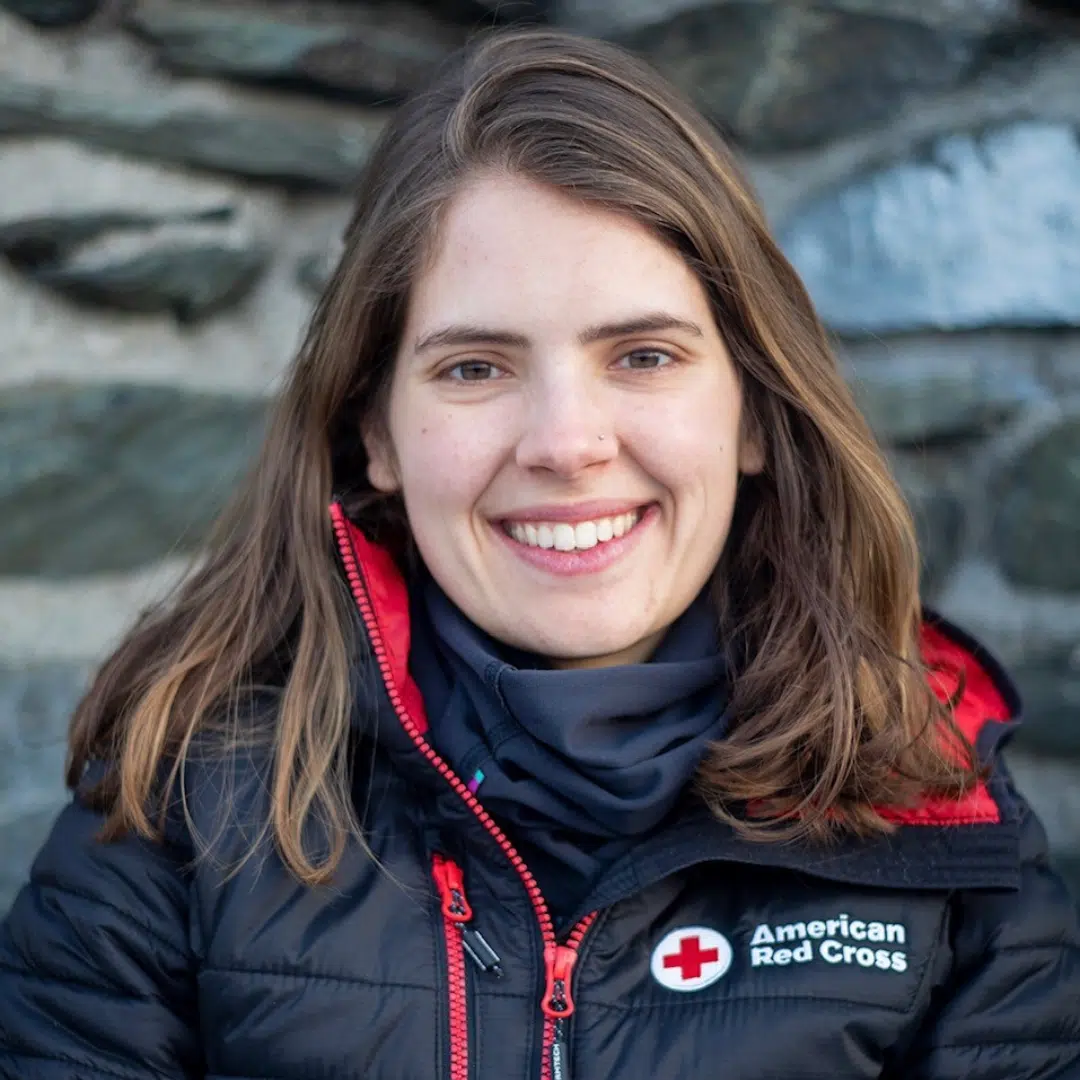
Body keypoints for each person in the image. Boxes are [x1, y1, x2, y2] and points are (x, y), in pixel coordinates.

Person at [2, 27, 1078, 1080]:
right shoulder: (181, 806)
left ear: (756, 411)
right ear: (373, 427)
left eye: (644, 355)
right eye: (474, 368)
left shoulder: (942, 805)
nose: (567, 444)